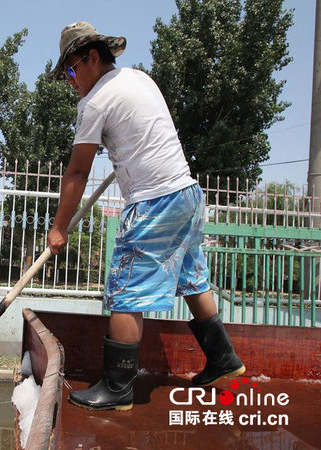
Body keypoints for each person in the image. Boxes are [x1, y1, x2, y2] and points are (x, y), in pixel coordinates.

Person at [46, 22, 245, 411]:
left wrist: (58, 228)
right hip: (187, 195)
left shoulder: (95, 101)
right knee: (191, 278)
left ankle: (118, 389)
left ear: (91, 57)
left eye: (71, 70)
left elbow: (77, 173)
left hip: (154, 202)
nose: (69, 81)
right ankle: (224, 360)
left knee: (125, 294)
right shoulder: (139, 78)